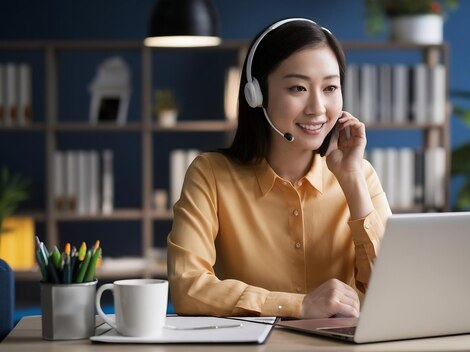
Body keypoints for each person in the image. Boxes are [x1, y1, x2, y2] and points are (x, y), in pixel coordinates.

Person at [167, 18, 392, 319]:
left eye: (330, 88)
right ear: (256, 95)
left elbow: (392, 292)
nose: (318, 107)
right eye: (298, 88)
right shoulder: (210, 174)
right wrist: (299, 305)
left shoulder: (359, 174)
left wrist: (351, 181)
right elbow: (187, 287)